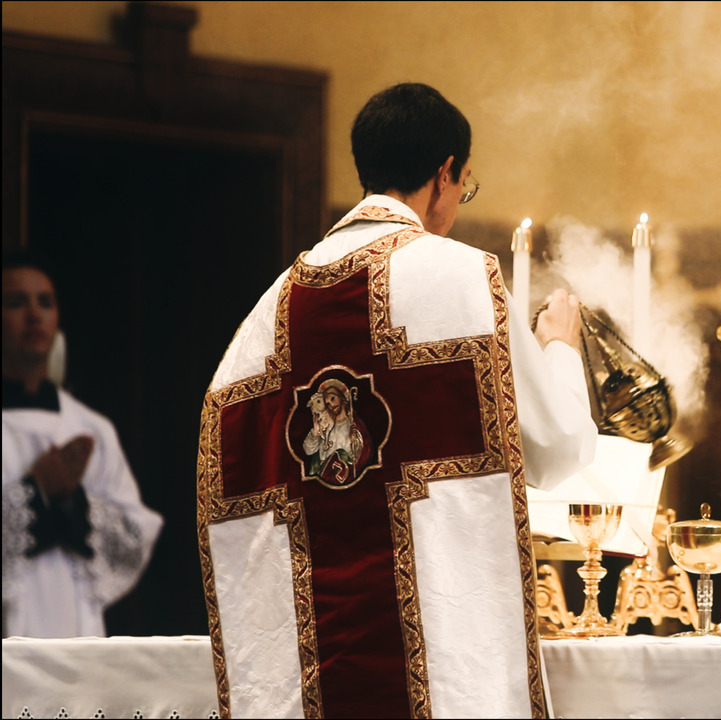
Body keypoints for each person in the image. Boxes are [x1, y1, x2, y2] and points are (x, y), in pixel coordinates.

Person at [198, 83, 597, 719]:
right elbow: (554, 451)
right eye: (465, 187)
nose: (458, 206)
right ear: (444, 173)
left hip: (318, 681)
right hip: (441, 686)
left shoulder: (265, 317)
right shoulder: (464, 280)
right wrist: (558, 348)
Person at [1, 252, 163, 638]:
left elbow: (135, 534)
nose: (34, 315)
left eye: (45, 302)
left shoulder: (91, 428)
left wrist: (74, 504)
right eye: (16, 302)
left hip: (76, 627)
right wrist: (35, 492)